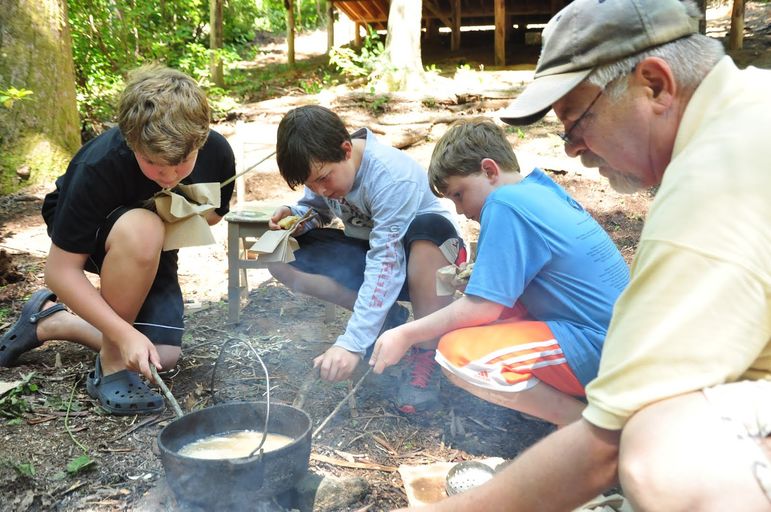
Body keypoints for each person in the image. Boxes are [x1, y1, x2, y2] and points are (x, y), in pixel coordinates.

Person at [393, 0, 771, 510]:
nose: (571, 148)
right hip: (614, 336)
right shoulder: (750, 107)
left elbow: (609, 442)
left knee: (658, 455)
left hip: (598, 344)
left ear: (654, 84)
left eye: (576, 120)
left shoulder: (712, 183)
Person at [0, 65, 236, 416]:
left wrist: (182, 207)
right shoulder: (98, 166)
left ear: (201, 139)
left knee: (162, 356)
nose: (169, 176)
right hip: (95, 233)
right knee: (143, 229)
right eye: (154, 164)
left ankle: (51, 319)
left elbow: (214, 215)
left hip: (154, 239)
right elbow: (61, 272)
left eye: (183, 163)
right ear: (131, 141)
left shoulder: (215, 152)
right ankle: (111, 367)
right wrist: (122, 337)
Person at [369, 118, 629, 427]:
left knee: (457, 354)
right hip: (623, 340)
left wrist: (406, 333)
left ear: (490, 170)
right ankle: (562, 403)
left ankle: (589, 428)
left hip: (604, 351)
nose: (461, 210)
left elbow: (483, 307)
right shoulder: (540, 190)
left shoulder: (504, 203)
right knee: (498, 319)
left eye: (459, 194)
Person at [268, 104, 466, 413]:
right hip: (376, 253)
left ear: (346, 149)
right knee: (288, 255)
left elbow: (386, 264)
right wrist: (295, 216)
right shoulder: (327, 173)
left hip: (430, 260)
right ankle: (386, 323)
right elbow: (317, 209)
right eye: (311, 184)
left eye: (323, 179)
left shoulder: (389, 177)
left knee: (428, 229)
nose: (321, 190)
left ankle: (425, 355)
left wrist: (351, 343)